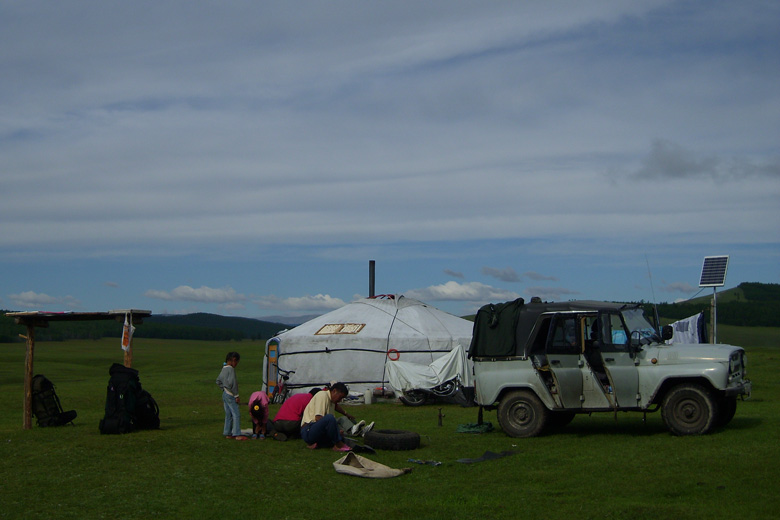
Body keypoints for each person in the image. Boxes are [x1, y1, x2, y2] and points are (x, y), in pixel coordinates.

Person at [300, 382, 351, 451]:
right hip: (308, 429)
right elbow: (318, 418)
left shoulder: (332, 402)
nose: (340, 400)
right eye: (340, 397)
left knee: (338, 434)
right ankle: (339, 445)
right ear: (334, 391)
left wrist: (337, 431)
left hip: (316, 429)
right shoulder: (322, 395)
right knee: (330, 418)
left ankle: (317, 443)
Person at [216, 352, 247, 440]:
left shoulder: (224, 369)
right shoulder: (231, 370)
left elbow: (218, 381)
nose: (236, 364)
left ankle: (227, 433)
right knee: (236, 414)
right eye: (237, 362)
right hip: (230, 394)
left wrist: (224, 388)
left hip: (225, 394)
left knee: (228, 414)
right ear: (234, 360)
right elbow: (233, 383)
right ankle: (237, 433)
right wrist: (236, 395)